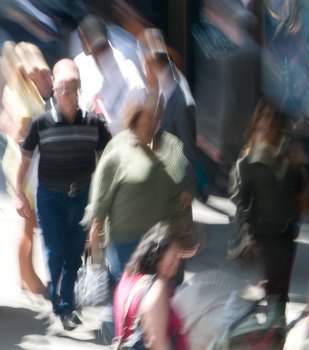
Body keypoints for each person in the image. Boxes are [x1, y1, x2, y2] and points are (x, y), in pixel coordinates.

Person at [13, 58, 111, 330]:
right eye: (61, 86)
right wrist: (19, 192)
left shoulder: (94, 123)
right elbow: (25, 159)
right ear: (54, 87)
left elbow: (109, 157)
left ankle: (64, 302)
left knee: (74, 255)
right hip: (50, 198)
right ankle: (62, 305)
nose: (65, 91)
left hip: (81, 197)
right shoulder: (41, 123)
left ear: (79, 88)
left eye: (71, 86)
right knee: (56, 252)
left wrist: (103, 201)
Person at [84, 89, 192, 283]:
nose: (152, 122)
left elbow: (184, 179)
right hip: (126, 238)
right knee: (127, 292)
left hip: (159, 238)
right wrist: (96, 222)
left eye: (155, 116)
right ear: (135, 117)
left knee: (156, 294)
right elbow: (102, 187)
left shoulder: (170, 145)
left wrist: (187, 192)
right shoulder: (120, 146)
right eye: (147, 117)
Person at [229, 99, 309, 323]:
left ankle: (276, 335)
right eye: (265, 118)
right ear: (257, 122)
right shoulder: (249, 158)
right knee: (272, 290)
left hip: (286, 232)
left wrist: (299, 166)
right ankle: (268, 335)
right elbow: (241, 201)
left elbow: (302, 192)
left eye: (274, 119)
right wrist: (248, 240)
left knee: (280, 293)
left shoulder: (288, 153)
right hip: (262, 237)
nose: (269, 123)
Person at [0, 41, 52, 296]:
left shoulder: (17, 87)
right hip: (26, 168)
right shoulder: (23, 93)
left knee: (28, 225)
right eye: (40, 71)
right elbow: (20, 131)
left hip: (23, 164)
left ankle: (26, 277)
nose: (44, 76)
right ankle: (29, 279)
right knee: (28, 225)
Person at [137, 27, 198, 200]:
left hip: (175, 192)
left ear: (148, 63)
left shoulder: (181, 100)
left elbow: (188, 147)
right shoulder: (158, 88)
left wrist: (187, 188)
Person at [113, 222, 189, 350]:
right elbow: (156, 342)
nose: (177, 263)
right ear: (157, 254)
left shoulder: (129, 277)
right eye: (174, 256)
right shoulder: (156, 288)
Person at [74, 14, 145, 135]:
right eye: (93, 50)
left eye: (102, 48)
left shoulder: (128, 70)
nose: (99, 54)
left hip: (121, 142)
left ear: (108, 41)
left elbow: (138, 116)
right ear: (84, 47)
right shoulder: (80, 64)